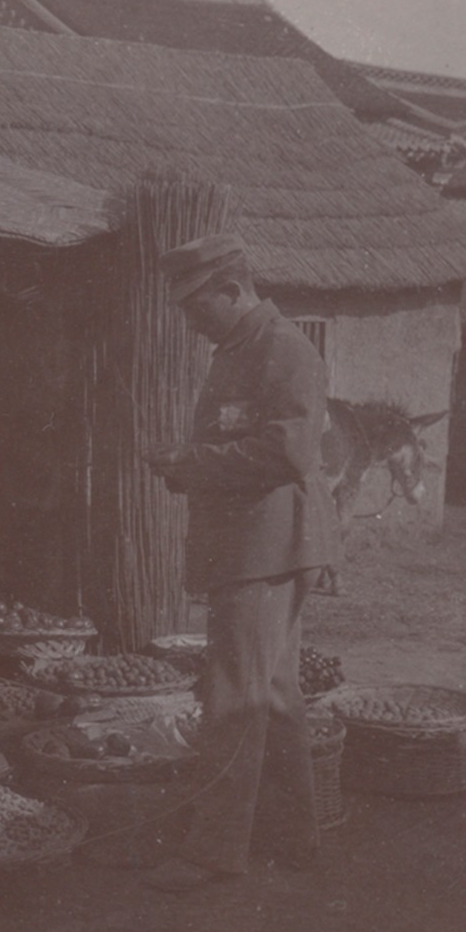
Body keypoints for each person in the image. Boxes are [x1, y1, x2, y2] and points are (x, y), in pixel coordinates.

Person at [141, 233, 340, 891]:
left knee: (234, 696)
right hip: (257, 544)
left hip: (267, 547)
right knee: (275, 694)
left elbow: (288, 454)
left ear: (234, 289)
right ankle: (293, 834)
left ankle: (213, 851)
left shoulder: (283, 349)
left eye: (200, 308)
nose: (193, 324)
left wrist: (191, 464)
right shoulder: (240, 348)